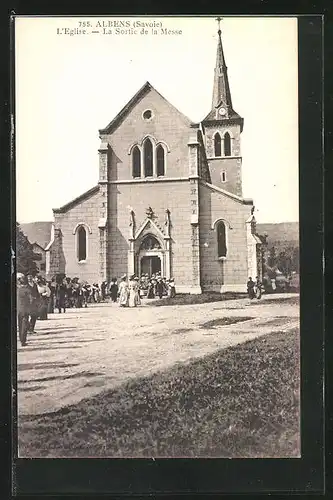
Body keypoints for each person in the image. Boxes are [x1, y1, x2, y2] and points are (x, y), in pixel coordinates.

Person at [17, 274, 31, 346]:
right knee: (24, 325)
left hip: (18, 309)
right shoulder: (27, 290)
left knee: (19, 325)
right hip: (25, 309)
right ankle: (23, 340)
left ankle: (20, 339)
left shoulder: (17, 290)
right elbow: (31, 300)